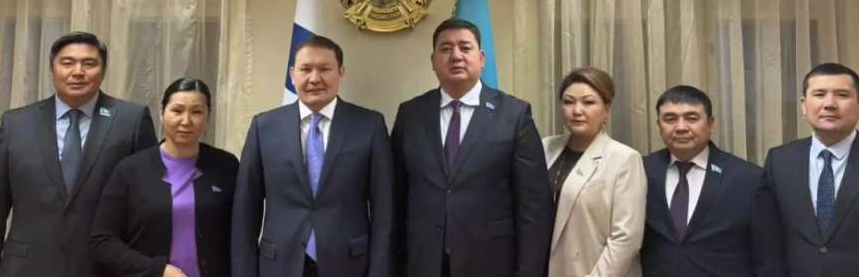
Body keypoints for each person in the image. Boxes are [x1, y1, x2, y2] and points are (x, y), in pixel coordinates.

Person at [0, 31, 157, 277]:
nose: (78, 72)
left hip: (103, 269)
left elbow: (148, 209)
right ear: (52, 69)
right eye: (67, 63)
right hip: (26, 269)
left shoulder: (131, 120)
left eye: (89, 63)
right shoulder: (16, 124)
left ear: (103, 70)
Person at [391, 18, 553, 277]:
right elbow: (397, 196)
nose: (456, 56)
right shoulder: (410, 114)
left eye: (465, 48)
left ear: (481, 58)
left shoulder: (514, 115)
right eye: (446, 49)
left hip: (491, 263)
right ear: (433, 60)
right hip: (424, 262)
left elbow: (534, 207)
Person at [232, 35, 393, 277]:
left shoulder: (370, 125)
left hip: (349, 264)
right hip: (279, 265)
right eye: (305, 69)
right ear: (292, 75)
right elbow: (245, 210)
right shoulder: (264, 127)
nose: (314, 78)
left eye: (325, 69)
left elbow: (384, 210)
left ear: (340, 72)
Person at [754, 62, 859, 277]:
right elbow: (768, 240)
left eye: (842, 95)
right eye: (819, 94)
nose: (829, 104)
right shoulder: (780, 160)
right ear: (803, 105)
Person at [90, 78, 239, 277]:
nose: (186, 121)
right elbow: (102, 241)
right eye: (177, 110)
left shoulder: (226, 166)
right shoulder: (131, 170)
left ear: (207, 117)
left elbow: (240, 233)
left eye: (196, 112)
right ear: (161, 112)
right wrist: (157, 269)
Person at [640, 85, 763, 277]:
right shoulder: (640, 171)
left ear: (711, 124)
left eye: (691, 118)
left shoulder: (747, 177)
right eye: (670, 119)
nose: (681, 127)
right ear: (659, 125)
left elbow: (764, 252)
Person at [543, 66, 646, 277]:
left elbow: (626, 239)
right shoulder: (546, 147)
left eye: (588, 102)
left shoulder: (624, 159)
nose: (577, 110)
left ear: (606, 110)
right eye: (569, 102)